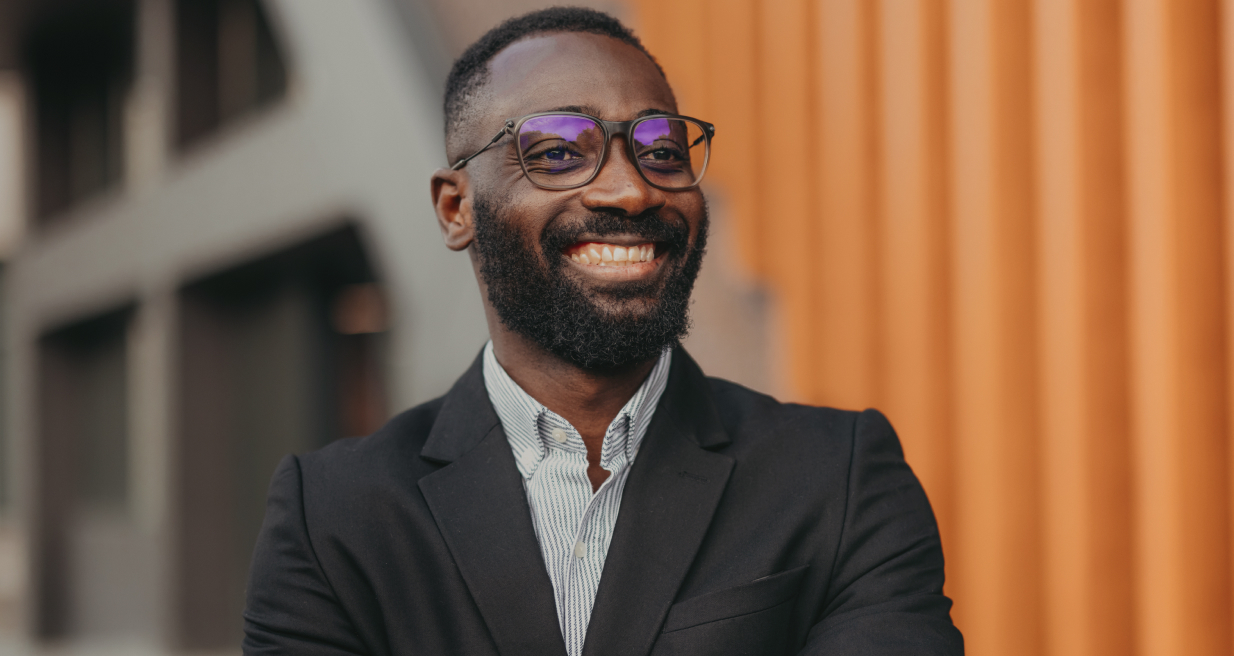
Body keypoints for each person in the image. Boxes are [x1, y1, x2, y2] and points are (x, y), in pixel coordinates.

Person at [240, 7, 960, 656]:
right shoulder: (334, 514)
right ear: (456, 207)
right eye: (557, 152)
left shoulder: (838, 479)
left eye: (663, 150)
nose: (632, 189)